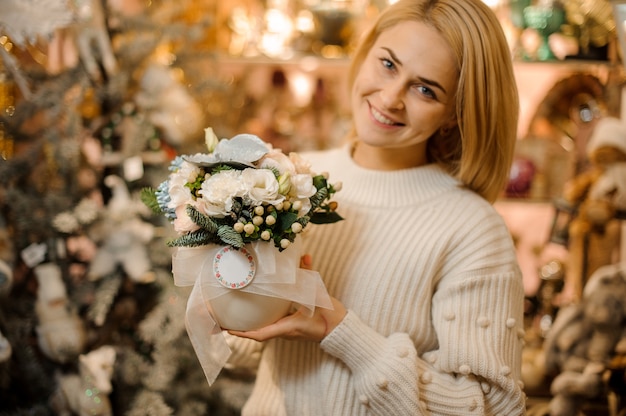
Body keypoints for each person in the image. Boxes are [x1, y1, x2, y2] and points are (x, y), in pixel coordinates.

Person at [226, 0, 526, 414]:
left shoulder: (472, 229)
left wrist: (341, 330)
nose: (390, 97)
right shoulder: (290, 178)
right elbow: (242, 353)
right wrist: (220, 281)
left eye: (425, 89)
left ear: (455, 114)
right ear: (365, 52)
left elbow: (493, 407)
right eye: (387, 64)